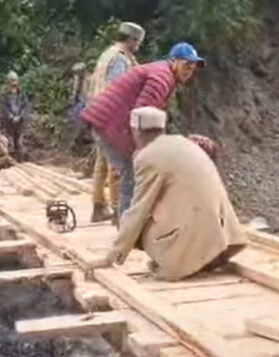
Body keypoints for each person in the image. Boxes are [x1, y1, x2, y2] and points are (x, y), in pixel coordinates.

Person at [91, 107, 246, 281]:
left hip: (193, 237)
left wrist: (112, 255)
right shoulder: (185, 143)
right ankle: (202, 254)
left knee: (141, 224)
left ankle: (177, 260)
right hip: (225, 237)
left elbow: (138, 210)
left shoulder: (148, 157)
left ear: (136, 132)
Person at [80, 42, 206, 223]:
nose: (189, 70)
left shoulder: (161, 73)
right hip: (111, 125)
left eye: (193, 67)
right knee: (130, 174)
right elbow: (141, 115)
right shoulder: (162, 78)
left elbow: (151, 117)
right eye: (186, 65)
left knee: (131, 172)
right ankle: (126, 226)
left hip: (108, 122)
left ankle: (128, 220)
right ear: (173, 61)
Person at [87, 22, 145, 224]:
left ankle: (98, 206)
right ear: (130, 40)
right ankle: (119, 211)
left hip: (97, 114)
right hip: (111, 117)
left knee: (102, 162)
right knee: (119, 165)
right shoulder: (120, 60)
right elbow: (118, 90)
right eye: (137, 42)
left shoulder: (107, 54)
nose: (138, 46)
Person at [1, 70, 31, 161]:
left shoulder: (22, 94)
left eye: (15, 81)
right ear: (8, 82)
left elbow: (26, 106)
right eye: (12, 81)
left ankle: (21, 160)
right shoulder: (5, 95)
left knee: (20, 141)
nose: (14, 83)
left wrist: (20, 116)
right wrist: (10, 116)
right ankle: (11, 160)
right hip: (9, 122)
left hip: (21, 121)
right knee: (10, 142)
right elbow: (4, 107)